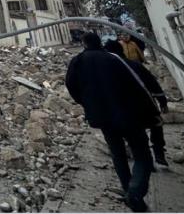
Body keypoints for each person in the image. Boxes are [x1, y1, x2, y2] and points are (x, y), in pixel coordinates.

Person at [66, 32, 160, 212]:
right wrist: (152, 109)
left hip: (102, 117)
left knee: (118, 155)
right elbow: (138, 85)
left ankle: (128, 191)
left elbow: (71, 86)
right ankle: (135, 191)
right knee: (142, 155)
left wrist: (87, 103)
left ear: (84, 43)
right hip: (129, 115)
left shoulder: (78, 61)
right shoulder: (115, 59)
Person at [105, 40, 169, 167]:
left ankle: (148, 159)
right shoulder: (134, 65)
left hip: (127, 109)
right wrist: (162, 100)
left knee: (138, 134)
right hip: (145, 104)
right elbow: (152, 83)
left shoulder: (110, 70)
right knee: (156, 126)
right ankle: (158, 153)